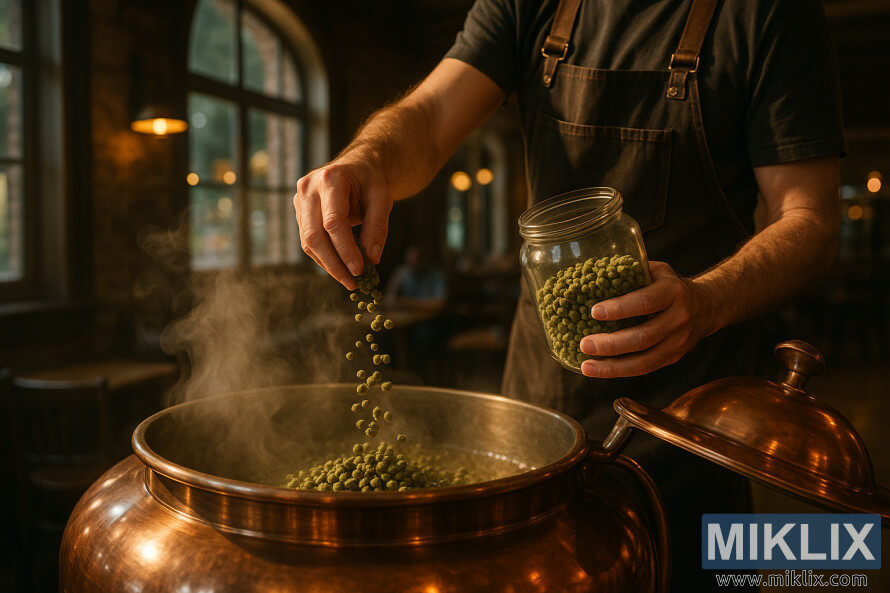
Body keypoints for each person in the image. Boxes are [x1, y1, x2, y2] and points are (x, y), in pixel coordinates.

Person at [292, 0, 842, 589]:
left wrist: (705, 300)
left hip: (692, 423)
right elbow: (426, 120)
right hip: (539, 411)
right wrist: (367, 156)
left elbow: (808, 217)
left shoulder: (767, 14)